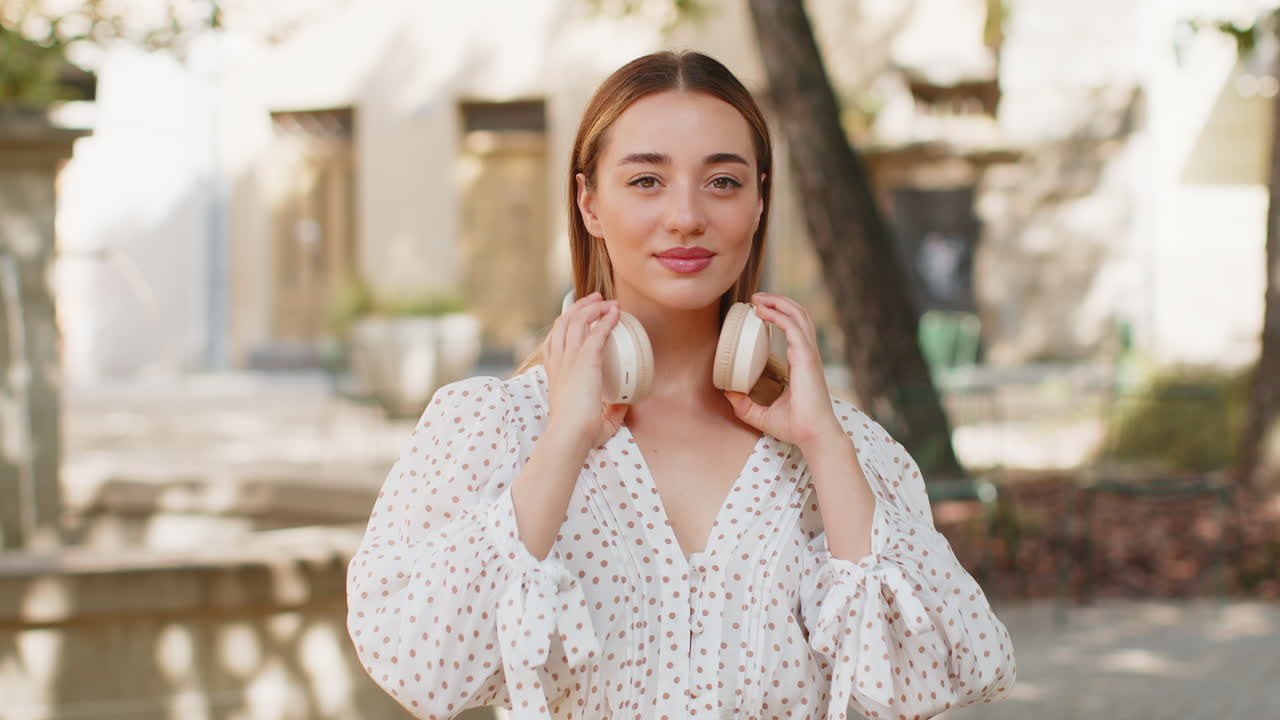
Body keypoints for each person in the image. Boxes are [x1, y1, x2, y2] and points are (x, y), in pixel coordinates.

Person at [347, 49, 1015, 720]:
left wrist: (825, 446)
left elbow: (935, 682)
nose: (687, 216)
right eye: (646, 181)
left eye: (723, 182)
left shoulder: (843, 453)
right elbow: (422, 674)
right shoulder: (494, 430)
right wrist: (562, 443)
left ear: (759, 203)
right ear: (589, 202)